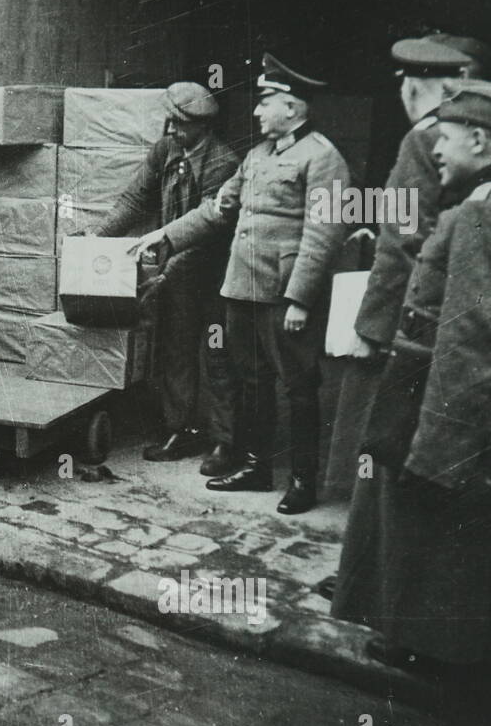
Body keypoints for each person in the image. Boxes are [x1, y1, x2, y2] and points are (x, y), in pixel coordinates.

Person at [331, 81, 491, 726]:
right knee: (462, 576)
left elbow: (469, 343)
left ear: (482, 142)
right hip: (476, 418)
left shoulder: (484, 215)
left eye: (449, 136)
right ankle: (453, 714)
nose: (436, 146)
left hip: (461, 424)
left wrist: (439, 453)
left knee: (460, 582)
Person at [131, 54, 352, 514]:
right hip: (242, 289)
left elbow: (322, 234)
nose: (256, 111)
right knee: (253, 382)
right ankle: (256, 466)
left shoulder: (323, 158)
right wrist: (164, 234)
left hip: (283, 294)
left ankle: (303, 480)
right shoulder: (255, 156)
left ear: (292, 107)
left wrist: (300, 299)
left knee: (298, 386)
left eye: (266, 101)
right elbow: (217, 211)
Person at [317, 34, 484, 595]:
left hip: (405, 324)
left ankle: (361, 580)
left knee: (376, 451)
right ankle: (377, 578)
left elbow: (402, 242)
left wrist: (372, 326)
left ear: (416, 86)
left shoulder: (423, 138)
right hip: (448, 321)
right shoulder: (481, 143)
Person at [84, 81, 240, 474]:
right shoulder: (165, 149)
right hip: (177, 273)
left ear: (202, 127)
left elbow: (211, 225)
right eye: (169, 120)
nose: (171, 130)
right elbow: (136, 198)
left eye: (180, 124)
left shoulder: (223, 162)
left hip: (214, 274)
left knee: (218, 354)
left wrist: (165, 271)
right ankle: (180, 429)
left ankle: (225, 441)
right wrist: (97, 240)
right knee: (176, 349)